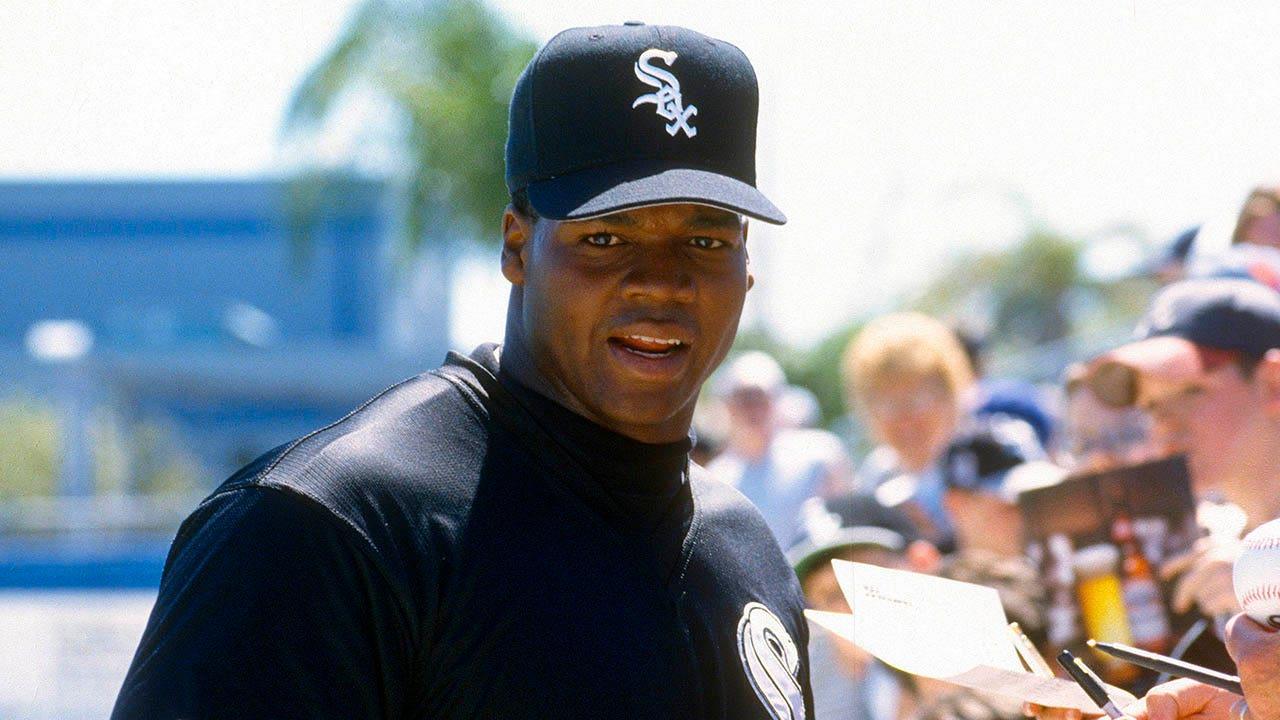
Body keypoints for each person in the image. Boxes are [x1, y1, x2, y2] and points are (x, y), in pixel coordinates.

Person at [111, 23, 814, 720]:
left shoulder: (747, 554)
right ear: (517, 246)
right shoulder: (332, 527)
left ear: (746, 265)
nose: (660, 282)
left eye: (704, 240)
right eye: (604, 238)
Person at [843, 312, 977, 549]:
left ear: (948, 395)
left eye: (915, 401)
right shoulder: (875, 479)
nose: (904, 419)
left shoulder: (986, 456)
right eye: (888, 405)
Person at [708, 351, 853, 546]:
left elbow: (849, 519)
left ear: (777, 399)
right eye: (744, 398)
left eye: (759, 397)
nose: (753, 408)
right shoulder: (716, 477)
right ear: (728, 405)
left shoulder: (821, 454)